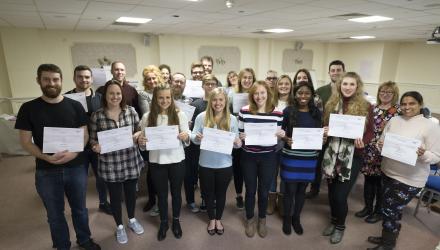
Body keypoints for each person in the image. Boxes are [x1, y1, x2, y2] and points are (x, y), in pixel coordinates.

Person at [15, 63, 101, 250]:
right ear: (39, 81)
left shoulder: (75, 105)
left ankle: (84, 240)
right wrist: (45, 157)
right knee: (55, 214)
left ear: (61, 81)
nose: (51, 83)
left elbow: (84, 134)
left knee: (80, 209)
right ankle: (62, 245)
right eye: (46, 79)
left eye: (55, 79)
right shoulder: (28, 108)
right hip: (46, 169)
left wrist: (74, 153)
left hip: (76, 167)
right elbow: (26, 141)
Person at [366, 91, 440, 250]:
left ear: (420, 104)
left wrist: (423, 154)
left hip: (410, 179)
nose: (407, 107)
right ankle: (387, 236)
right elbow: (382, 140)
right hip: (388, 171)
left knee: (389, 210)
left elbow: (436, 156)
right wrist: (381, 145)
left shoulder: (431, 126)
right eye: (404, 103)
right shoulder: (394, 120)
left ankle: (388, 244)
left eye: (412, 103)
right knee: (389, 210)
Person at [89, 80, 145, 244]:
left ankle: (132, 219)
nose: (115, 96)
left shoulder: (131, 111)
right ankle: (120, 226)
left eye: (118, 93)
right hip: (110, 163)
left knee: (131, 193)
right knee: (115, 196)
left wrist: (137, 135)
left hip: (130, 159)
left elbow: (138, 130)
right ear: (105, 95)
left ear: (122, 95)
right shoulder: (97, 115)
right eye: (111, 93)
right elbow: (92, 140)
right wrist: (95, 146)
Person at [321, 72, 374, 244]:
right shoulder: (332, 103)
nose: (348, 87)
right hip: (332, 153)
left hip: (352, 156)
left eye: (352, 84)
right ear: (339, 85)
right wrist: (325, 130)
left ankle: (340, 226)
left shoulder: (366, 106)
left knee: (340, 196)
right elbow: (326, 125)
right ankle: (333, 220)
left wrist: (363, 142)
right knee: (331, 193)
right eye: (345, 84)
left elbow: (370, 131)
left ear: (357, 86)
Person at [138, 84, 190, 241]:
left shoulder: (180, 115)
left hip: (176, 160)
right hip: (157, 161)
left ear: (172, 98)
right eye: (161, 97)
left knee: (176, 193)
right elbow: (143, 143)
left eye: (168, 97)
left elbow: (187, 137)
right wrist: (141, 141)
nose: (165, 100)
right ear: (155, 98)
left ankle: (175, 220)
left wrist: (185, 136)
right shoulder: (147, 117)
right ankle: (164, 222)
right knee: (161, 194)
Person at [191, 88, 241, 236]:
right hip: (205, 163)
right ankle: (211, 218)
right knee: (207, 193)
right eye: (214, 100)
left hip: (224, 164)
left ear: (226, 101)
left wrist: (238, 142)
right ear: (210, 101)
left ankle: (218, 218)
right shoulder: (201, 117)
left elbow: (236, 142)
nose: (217, 103)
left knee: (221, 193)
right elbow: (193, 135)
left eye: (221, 100)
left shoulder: (232, 119)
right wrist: (196, 137)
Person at [239, 81, 285, 238]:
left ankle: (262, 220)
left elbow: (278, 138)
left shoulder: (278, 113)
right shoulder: (244, 111)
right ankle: (250, 219)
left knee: (264, 191)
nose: (259, 96)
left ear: (268, 93)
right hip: (248, 157)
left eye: (262, 93)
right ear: (252, 95)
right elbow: (239, 134)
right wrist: (241, 136)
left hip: (268, 157)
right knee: (250, 190)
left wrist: (282, 135)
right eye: (256, 93)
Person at [64, 65, 111, 215]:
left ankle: (103, 202)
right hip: (77, 147)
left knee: (101, 177)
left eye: (87, 77)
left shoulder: (99, 99)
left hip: (97, 145)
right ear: (74, 78)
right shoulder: (66, 99)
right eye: (80, 77)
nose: (83, 80)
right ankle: (79, 207)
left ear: (91, 79)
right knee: (79, 180)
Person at [281, 81, 324, 236]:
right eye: (300, 93)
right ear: (295, 94)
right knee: (290, 191)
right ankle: (287, 218)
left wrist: (322, 138)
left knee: (301, 191)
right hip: (291, 157)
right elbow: (280, 132)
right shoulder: (288, 111)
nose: (303, 96)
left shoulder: (316, 113)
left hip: (309, 158)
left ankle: (296, 218)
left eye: (307, 93)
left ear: (312, 95)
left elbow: (319, 134)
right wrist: (286, 139)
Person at [355, 81, 400, 224]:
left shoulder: (398, 111)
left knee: (381, 183)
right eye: (382, 91)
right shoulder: (372, 108)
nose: (385, 94)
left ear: (394, 94)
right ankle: (367, 208)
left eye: (389, 92)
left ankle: (378, 211)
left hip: (385, 151)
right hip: (369, 149)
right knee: (368, 180)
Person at [307, 60, 346, 199]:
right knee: (318, 163)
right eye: (333, 70)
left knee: (336, 164)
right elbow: (314, 112)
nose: (335, 72)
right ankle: (314, 188)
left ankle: (333, 194)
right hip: (322, 134)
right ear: (329, 72)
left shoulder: (347, 91)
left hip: (341, 136)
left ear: (343, 72)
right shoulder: (321, 91)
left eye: (338, 70)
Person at [185, 74, 219, 213]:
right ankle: (191, 201)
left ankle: (206, 199)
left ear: (216, 85)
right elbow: (188, 127)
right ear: (202, 85)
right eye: (207, 84)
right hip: (195, 146)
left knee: (207, 176)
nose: (210, 86)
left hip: (211, 148)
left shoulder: (219, 104)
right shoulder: (195, 104)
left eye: (212, 84)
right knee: (191, 174)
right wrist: (194, 133)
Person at [138, 65, 164, 216]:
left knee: (164, 167)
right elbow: (147, 113)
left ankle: (162, 199)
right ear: (145, 81)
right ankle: (152, 199)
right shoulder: (143, 94)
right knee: (152, 169)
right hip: (151, 135)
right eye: (148, 79)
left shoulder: (164, 91)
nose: (152, 81)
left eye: (154, 78)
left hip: (165, 135)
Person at [267, 75, 294, 215]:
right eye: (281, 83)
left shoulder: (295, 103)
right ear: (276, 86)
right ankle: (271, 200)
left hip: (289, 143)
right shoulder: (270, 102)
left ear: (291, 86)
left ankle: (282, 200)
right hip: (272, 143)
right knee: (272, 172)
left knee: (285, 173)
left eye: (287, 84)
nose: (283, 86)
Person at [230, 68, 256, 210]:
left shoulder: (257, 94)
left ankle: (250, 195)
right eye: (244, 77)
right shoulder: (232, 95)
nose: (247, 80)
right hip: (236, 136)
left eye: (250, 78)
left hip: (253, 137)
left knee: (250, 169)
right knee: (238, 168)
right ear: (240, 79)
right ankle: (239, 195)